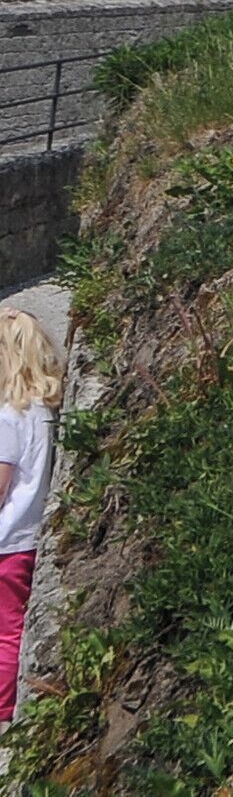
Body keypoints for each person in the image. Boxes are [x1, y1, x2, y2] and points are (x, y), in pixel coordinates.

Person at [0, 307, 56, 723]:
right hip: (30, 536)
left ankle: (3, 708)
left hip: (5, 541)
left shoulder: (7, 417)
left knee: (4, 634)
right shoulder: (43, 411)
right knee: (16, 626)